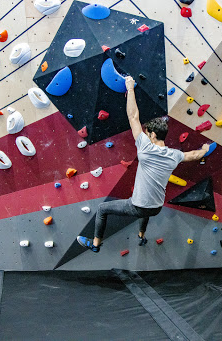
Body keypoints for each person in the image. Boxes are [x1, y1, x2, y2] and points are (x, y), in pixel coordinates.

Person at [77, 76, 210, 252]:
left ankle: (95, 245)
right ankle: (141, 235)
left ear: (153, 135)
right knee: (146, 210)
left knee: (102, 209)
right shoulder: (174, 155)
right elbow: (193, 155)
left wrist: (130, 88)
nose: (146, 135)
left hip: (139, 206)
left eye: (148, 133)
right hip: (156, 208)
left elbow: (133, 116)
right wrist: (205, 149)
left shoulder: (145, 147)